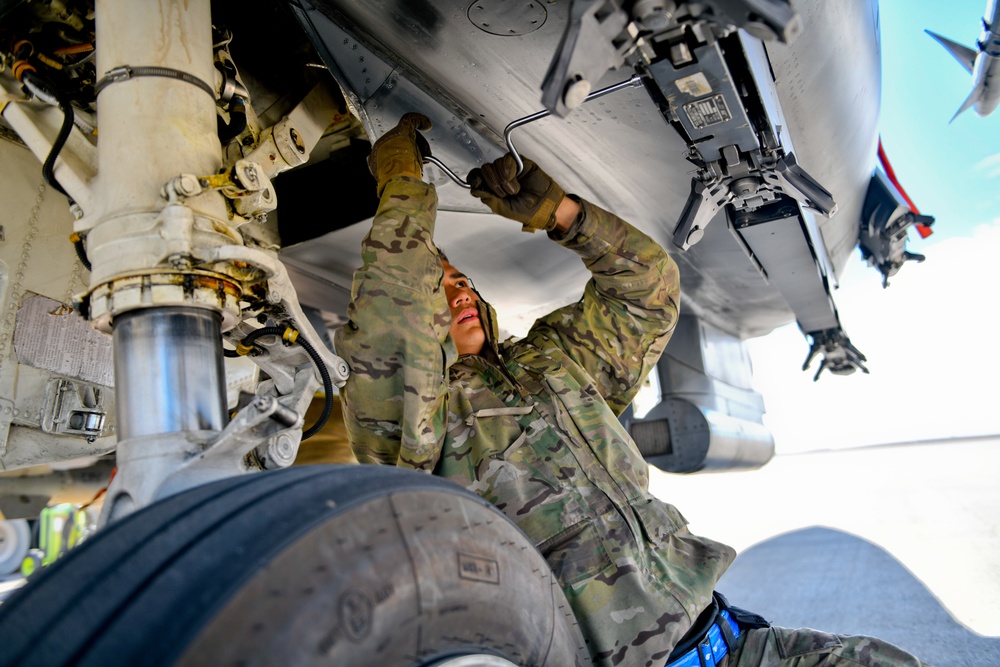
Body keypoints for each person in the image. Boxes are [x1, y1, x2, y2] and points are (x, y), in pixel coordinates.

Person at [333, 113, 928, 667]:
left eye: (462, 279)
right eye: (439, 286)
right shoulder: (419, 429)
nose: (458, 292)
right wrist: (403, 185)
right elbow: (394, 320)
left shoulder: (551, 363)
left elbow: (648, 290)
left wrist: (560, 214)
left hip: (734, 641)